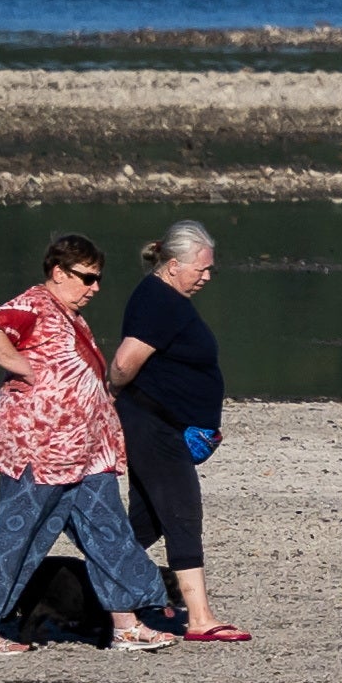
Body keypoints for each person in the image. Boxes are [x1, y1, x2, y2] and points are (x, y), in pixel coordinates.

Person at [0, 234, 182, 655]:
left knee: (109, 530)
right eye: (87, 278)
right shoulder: (34, 305)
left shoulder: (69, 315)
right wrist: (25, 371)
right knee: (17, 532)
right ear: (59, 273)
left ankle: (126, 623)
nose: (95, 287)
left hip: (85, 451)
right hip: (39, 451)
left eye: (98, 279)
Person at [107, 219, 249, 644]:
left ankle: (108, 598)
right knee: (183, 512)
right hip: (154, 426)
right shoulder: (159, 301)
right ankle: (200, 617)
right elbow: (123, 362)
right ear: (172, 265)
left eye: (210, 270)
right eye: (200, 269)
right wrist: (108, 395)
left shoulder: (164, 297)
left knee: (144, 524)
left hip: (159, 424)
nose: (206, 277)